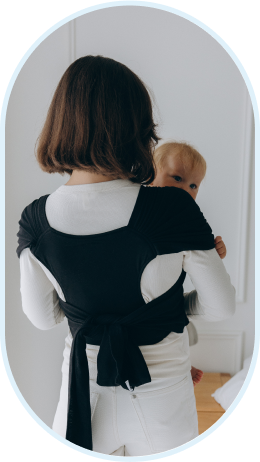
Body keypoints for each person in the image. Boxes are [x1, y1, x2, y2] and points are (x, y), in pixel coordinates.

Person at [16, 56, 236, 457]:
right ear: (138, 128)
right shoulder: (172, 208)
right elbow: (220, 307)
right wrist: (168, 308)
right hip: (164, 395)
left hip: (84, 396)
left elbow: (43, 318)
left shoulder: (36, 221)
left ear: (60, 123)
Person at [150, 141, 227, 387]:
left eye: (193, 185)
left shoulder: (188, 221)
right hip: (143, 295)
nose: (185, 190)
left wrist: (213, 254)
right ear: (150, 173)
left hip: (170, 295)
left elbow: (193, 261)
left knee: (177, 332)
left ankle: (183, 363)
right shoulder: (143, 209)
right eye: (177, 178)